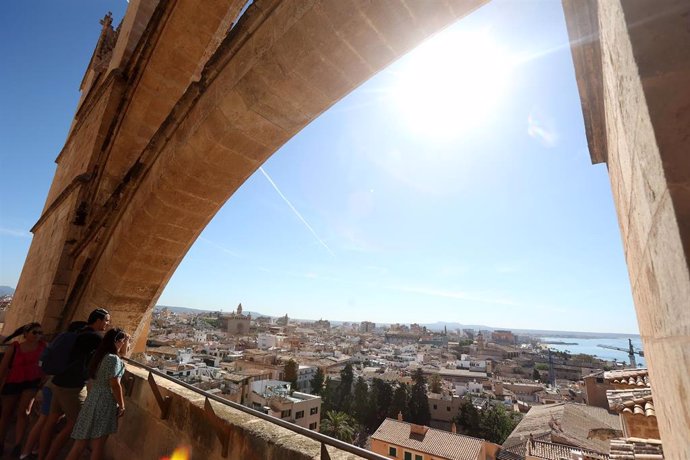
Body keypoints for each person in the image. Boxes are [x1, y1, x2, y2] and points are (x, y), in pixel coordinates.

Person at [39, 309, 110, 460]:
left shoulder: (78, 331)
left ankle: (41, 456)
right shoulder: (95, 337)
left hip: (57, 381)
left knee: (51, 421)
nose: (107, 324)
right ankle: (50, 457)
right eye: (106, 320)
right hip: (72, 386)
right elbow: (112, 357)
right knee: (76, 424)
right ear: (98, 320)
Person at [20, 321, 87, 460]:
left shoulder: (60, 342)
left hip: (51, 385)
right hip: (56, 386)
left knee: (46, 421)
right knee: (47, 421)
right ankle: (29, 452)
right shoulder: (74, 344)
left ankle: (31, 452)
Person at [65, 328, 129, 460]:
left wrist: (125, 342)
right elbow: (115, 384)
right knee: (98, 445)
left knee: (79, 444)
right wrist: (122, 405)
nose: (125, 344)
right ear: (116, 342)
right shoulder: (113, 359)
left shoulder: (100, 356)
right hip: (105, 401)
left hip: (93, 398)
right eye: (123, 341)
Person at [0, 322, 47, 457]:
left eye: (40, 332)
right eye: (34, 332)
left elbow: (46, 364)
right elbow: (3, 368)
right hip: (13, 382)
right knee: (6, 414)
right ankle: (1, 442)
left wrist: (43, 379)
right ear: (25, 334)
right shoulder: (15, 348)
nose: (38, 335)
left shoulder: (43, 347)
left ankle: (17, 445)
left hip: (31, 382)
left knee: (24, 412)